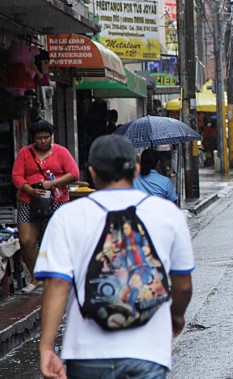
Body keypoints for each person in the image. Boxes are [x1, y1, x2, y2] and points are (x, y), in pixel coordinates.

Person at [35, 135, 194, 379]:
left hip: (85, 353)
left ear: (92, 171)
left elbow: (56, 284)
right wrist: (177, 316)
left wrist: (46, 347)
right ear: (136, 169)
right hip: (148, 350)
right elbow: (182, 286)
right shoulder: (167, 214)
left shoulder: (68, 217)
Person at [11, 120, 79, 293]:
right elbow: (17, 176)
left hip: (57, 201)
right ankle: (37, 278)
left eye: (46, 137)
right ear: (33, 138)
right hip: (29, 201)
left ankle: (57, 278)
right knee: (27, 241)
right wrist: (30, 190)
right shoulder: (25, 153)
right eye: (39, 138)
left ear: (51, 137)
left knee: (55, 241)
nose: (43, 141)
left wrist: (53, 183)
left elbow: (74, 173)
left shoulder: (61, 152)